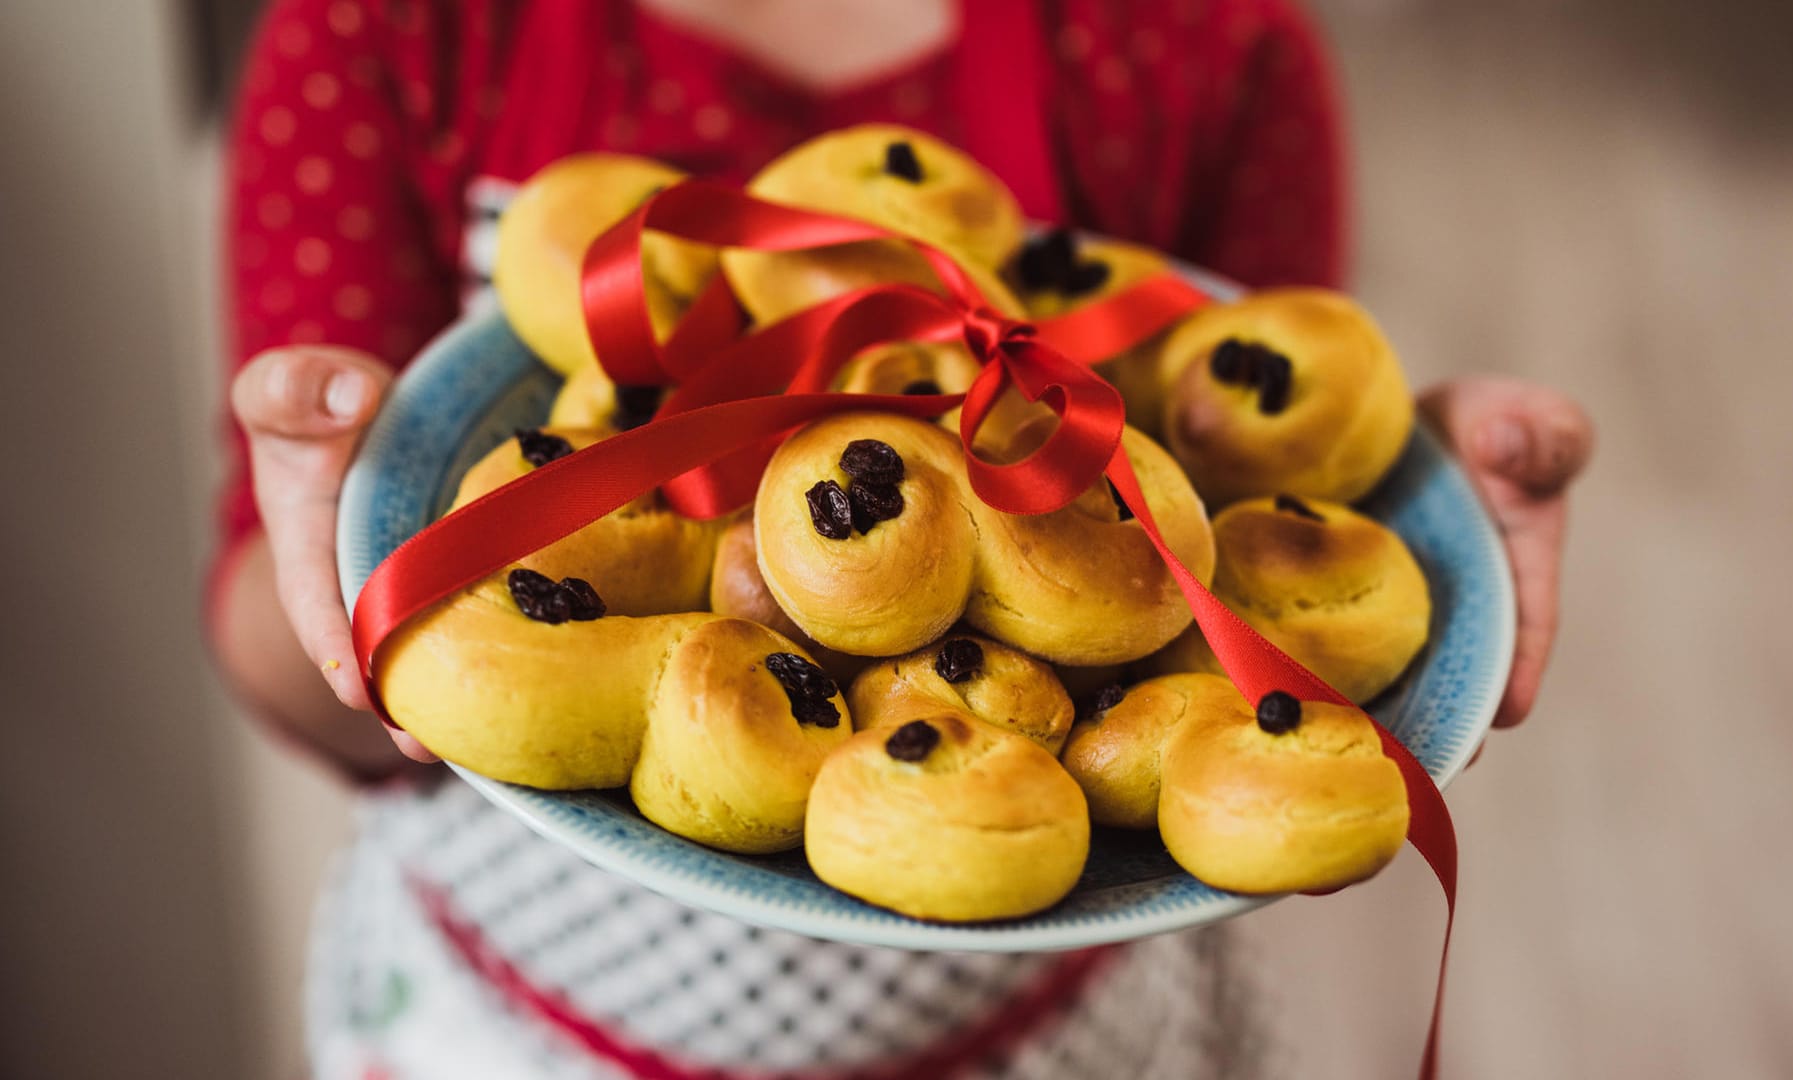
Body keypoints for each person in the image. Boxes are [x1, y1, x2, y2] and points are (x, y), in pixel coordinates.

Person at [209, 1, 1595, 1076]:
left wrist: (1418, 483)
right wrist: (337, 553)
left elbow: (1238, 462)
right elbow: (286, 668)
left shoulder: (1204, 49)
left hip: (1053, 1033)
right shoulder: (389, 34)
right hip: (508, 1022)